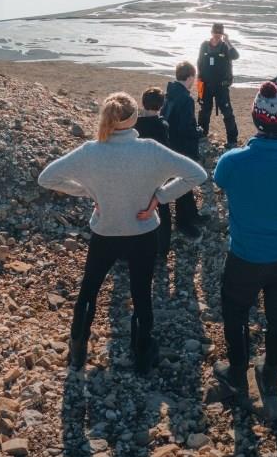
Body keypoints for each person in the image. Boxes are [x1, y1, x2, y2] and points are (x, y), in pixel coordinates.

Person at [37, 92, 208, 374]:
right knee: (141, 294)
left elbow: (47, 178)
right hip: (143, 232)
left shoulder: (90, 151)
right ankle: (142, 354)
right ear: (134, 118)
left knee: (89, 290)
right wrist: (160, 197)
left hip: (105, 231)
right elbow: (197, 174)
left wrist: (89, 192)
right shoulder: (151, 150)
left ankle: (77, 350)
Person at [212, 82, 277, 407]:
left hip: (246, 254)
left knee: (236, 313)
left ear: (256, 119)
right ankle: (270, 375)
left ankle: (237, 372)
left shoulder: (232, 161)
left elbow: (219, 181)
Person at [161, 61, 206, 239]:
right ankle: (183, 221)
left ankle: (192, 214)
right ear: (189, 77)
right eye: (193, 78)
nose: (194, 81)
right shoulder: (186, 99)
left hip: (170, 143)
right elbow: (184, 127)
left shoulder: (169, 93)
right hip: (182, 146)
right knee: (184, 182)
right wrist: (198, 132)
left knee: (183, 182)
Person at [134, 87, 172, 260]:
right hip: (157, 175)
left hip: (138, 173)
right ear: (161, 105)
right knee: (163, 209)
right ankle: (162, 249)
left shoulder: (135, 124)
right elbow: (165, 151)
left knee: (137, 209)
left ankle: (134, 246)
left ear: (143, 103)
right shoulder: (162, 125)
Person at [197, 22, 240, 147]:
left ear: (222, 34)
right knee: (204, 111)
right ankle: (202, 136)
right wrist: (199, 84)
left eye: (219, 33)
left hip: (222, 85)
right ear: (211, 32)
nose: (217, 35)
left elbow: (235, 56)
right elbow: (199, 63)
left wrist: (228, 42)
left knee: (227, 113)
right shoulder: (204, 45)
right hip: (205, 84)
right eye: (215, 32)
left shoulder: (225, 47)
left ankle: (232, 140)